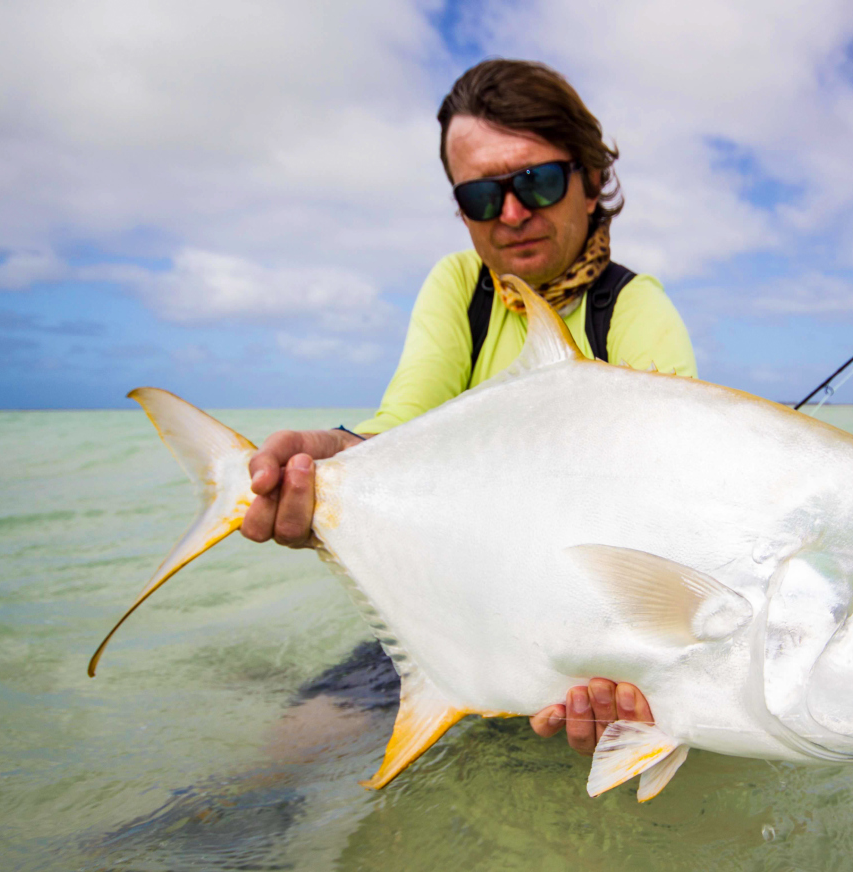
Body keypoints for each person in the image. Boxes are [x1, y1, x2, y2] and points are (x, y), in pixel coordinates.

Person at [242, 60, 697, 757]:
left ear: (589, 179)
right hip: (448, 620)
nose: (511, 214)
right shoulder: (461, 287)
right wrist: (334, 463)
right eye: (482, 196)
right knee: (270, 766)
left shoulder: (634, 310)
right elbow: (402, 425)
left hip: (594, 653)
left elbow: (672, 513)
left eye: (538, 182)